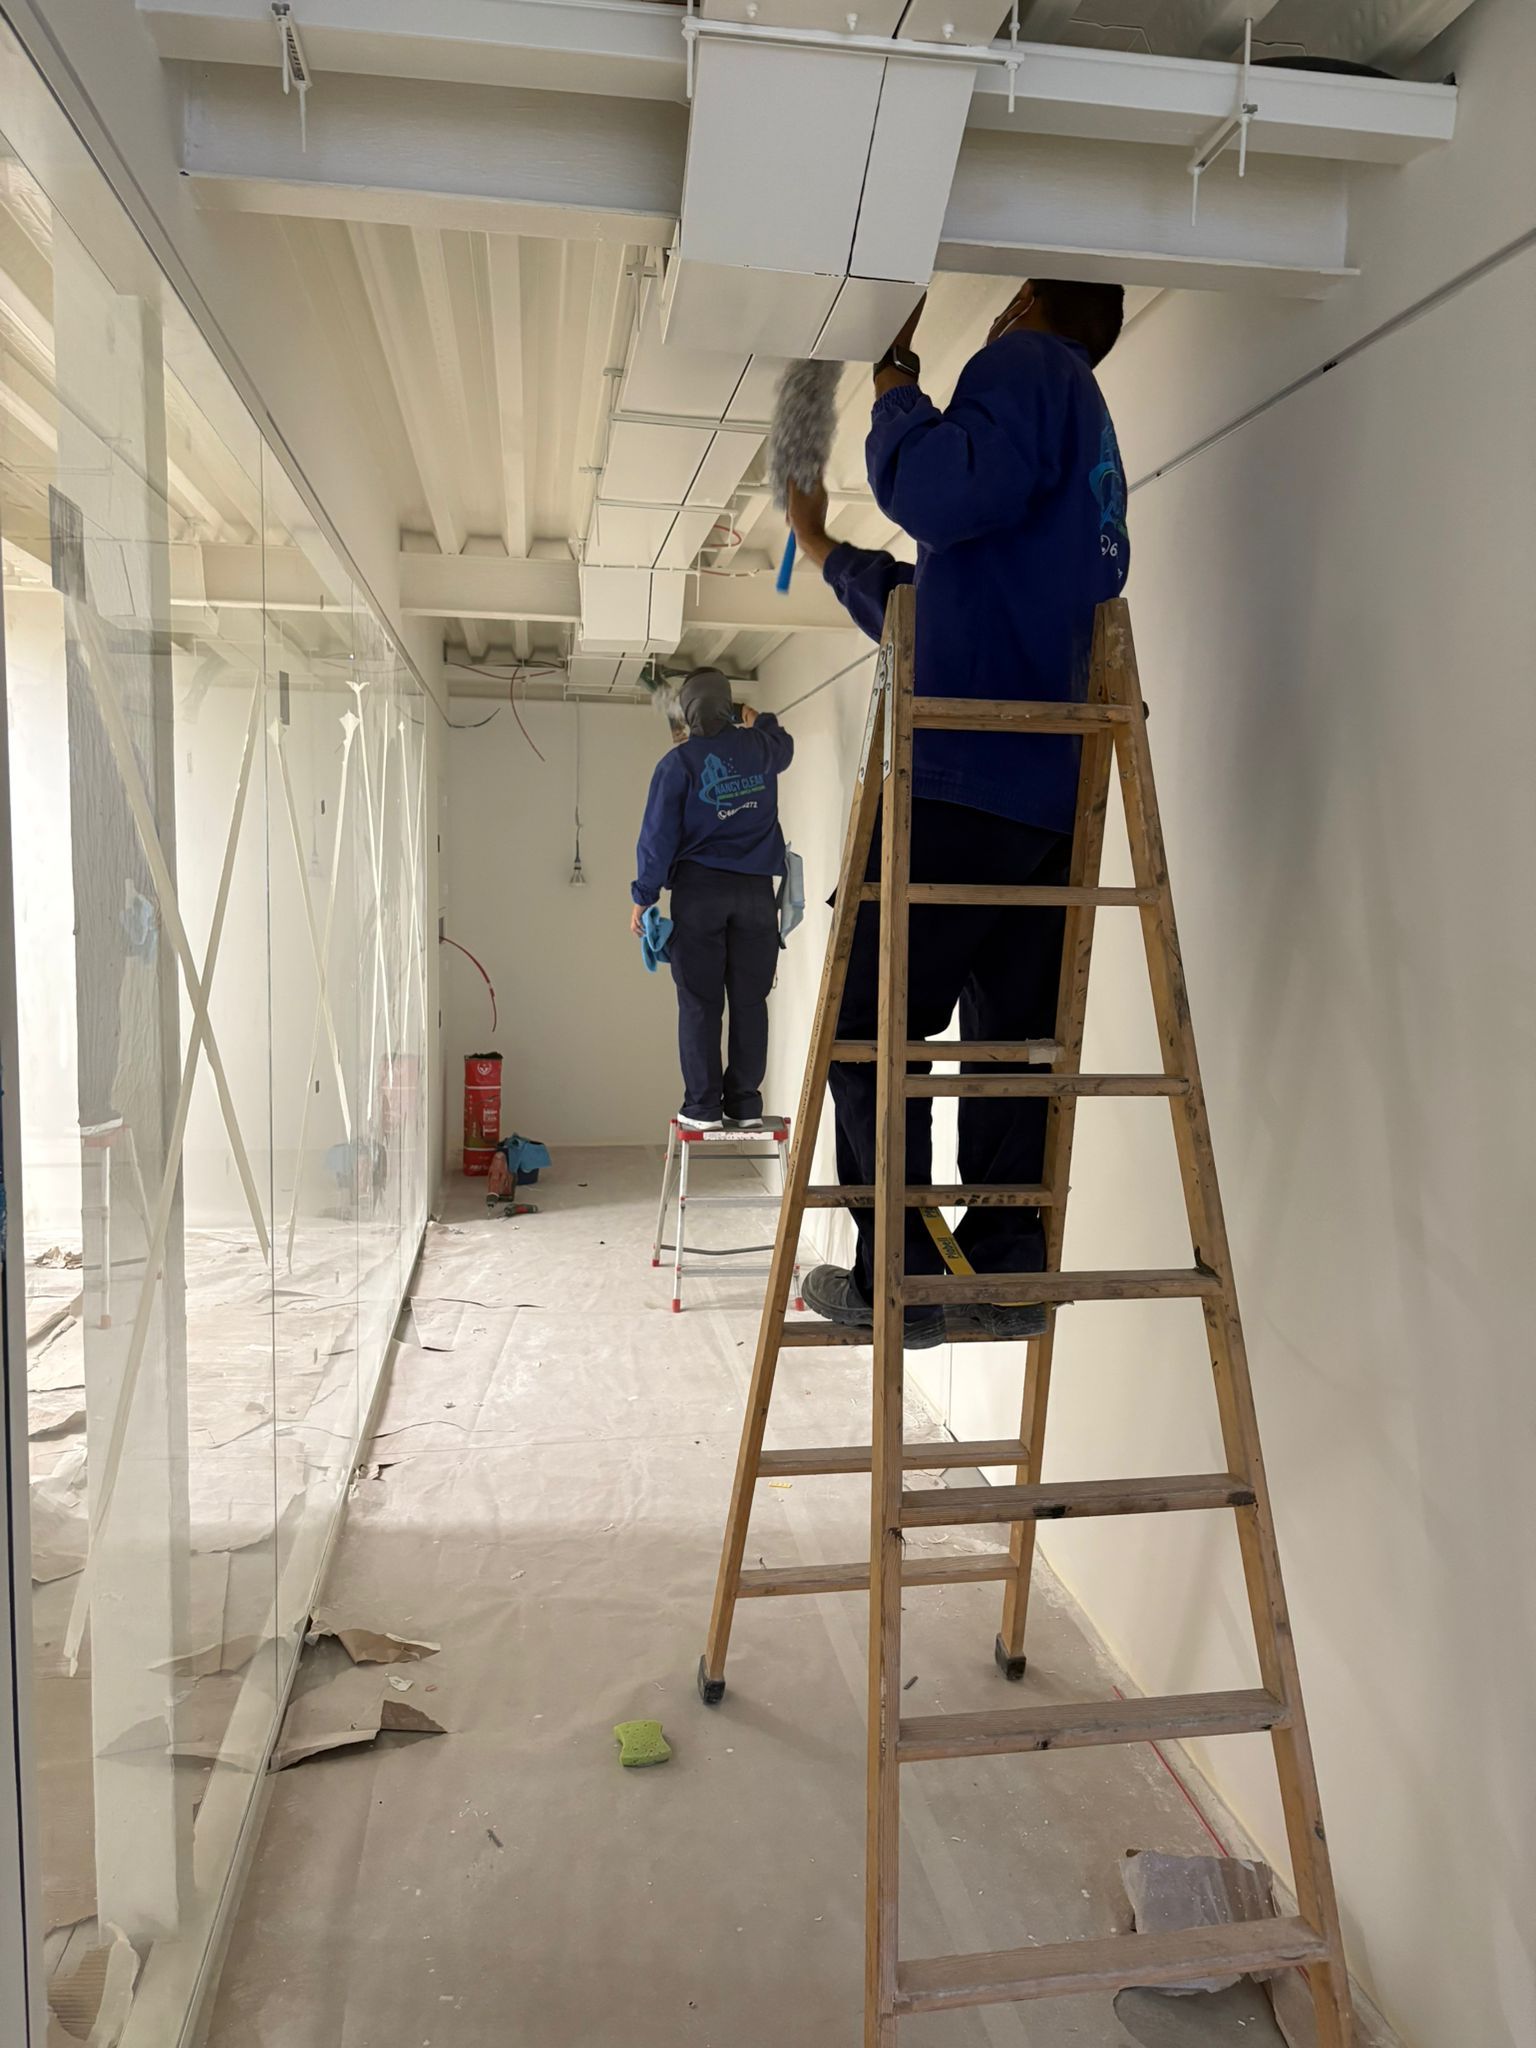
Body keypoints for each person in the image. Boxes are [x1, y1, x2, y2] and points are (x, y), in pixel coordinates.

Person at [785, 277, 1130, 1348]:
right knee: (1010, 1040)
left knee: (863, 1022)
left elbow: (932, 492)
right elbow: (925, 609)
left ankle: (897, 1266)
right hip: (1043, 796)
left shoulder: (1026, 368)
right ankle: (1001, 1263)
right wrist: (830, 549)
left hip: (962, 778)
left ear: (1025, 302)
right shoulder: (1083, 449)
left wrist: (896, 384)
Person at [631, 667, 795, 1132]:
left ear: (687, 711)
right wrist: (757, 719)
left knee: (701, 1001)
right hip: (756, 894)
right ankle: (744, 1103)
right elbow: (784, 745)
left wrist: (643, 898)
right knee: (750, 1000)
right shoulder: (761, 747)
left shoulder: (677, 764)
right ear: (727, 705)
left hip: (699, 893)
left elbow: (657, 839)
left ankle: (702, 1108)